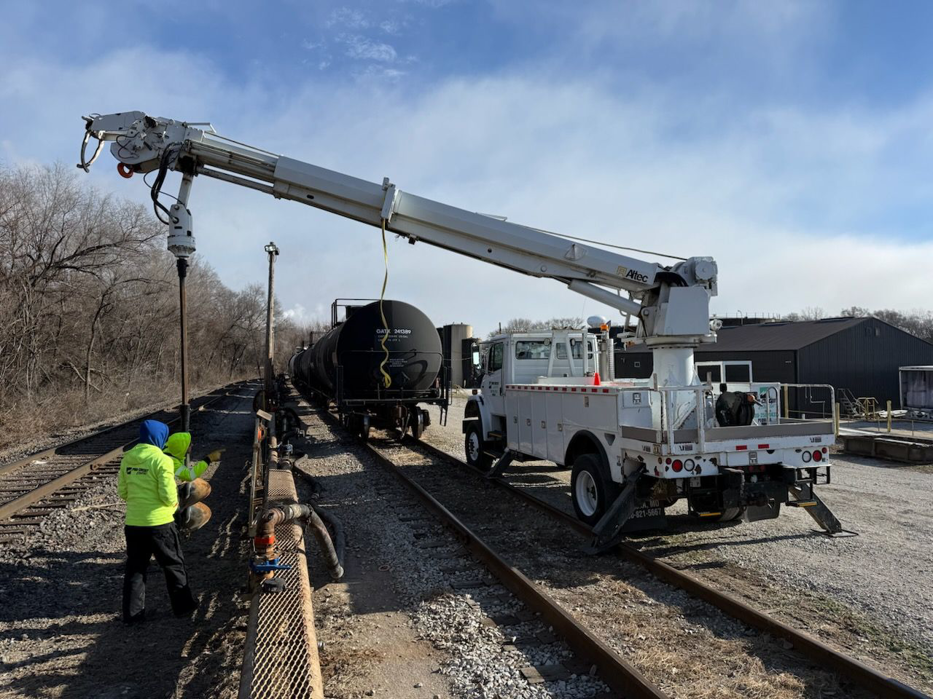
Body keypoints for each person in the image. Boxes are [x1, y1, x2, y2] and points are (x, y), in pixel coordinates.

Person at [118, 419, 197, 624]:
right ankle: (184, 608)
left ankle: (132, 615)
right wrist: (172, 507)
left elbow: (122, 491)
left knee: (136, 568)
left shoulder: (127, 458)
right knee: (173, 564)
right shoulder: (162, 460)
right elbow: (168, 495)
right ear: (160, 438)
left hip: (134, 524)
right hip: (160, 524)